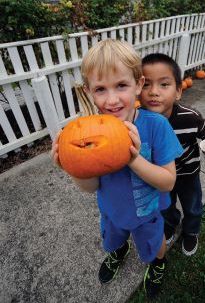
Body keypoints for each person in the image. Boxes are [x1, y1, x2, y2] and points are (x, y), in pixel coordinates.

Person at [51, 40, 184, 298]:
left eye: (121, 85)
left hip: (149, 212)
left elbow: (168, 182)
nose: (112, 100)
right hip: (112, 210)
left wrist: (133, 158)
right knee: (114, 238)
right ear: (89, 91)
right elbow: (91, 187)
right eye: (101, 89)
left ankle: (158, 263)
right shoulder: (87, 133)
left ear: (138, 84)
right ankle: (119, 251)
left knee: (154, 244)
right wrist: (74, 168)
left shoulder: (156, 126)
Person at [139, 53, 205, 256]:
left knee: (193, 205)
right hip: (160, 176)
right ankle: (170, 225)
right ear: (137, 88)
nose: (154, 92)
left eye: (164, 84)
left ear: (178, 91)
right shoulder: (139, 122)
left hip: (188, 173)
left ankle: (191, 231)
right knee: (165, 207)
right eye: (146, 85)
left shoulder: (189, 117)